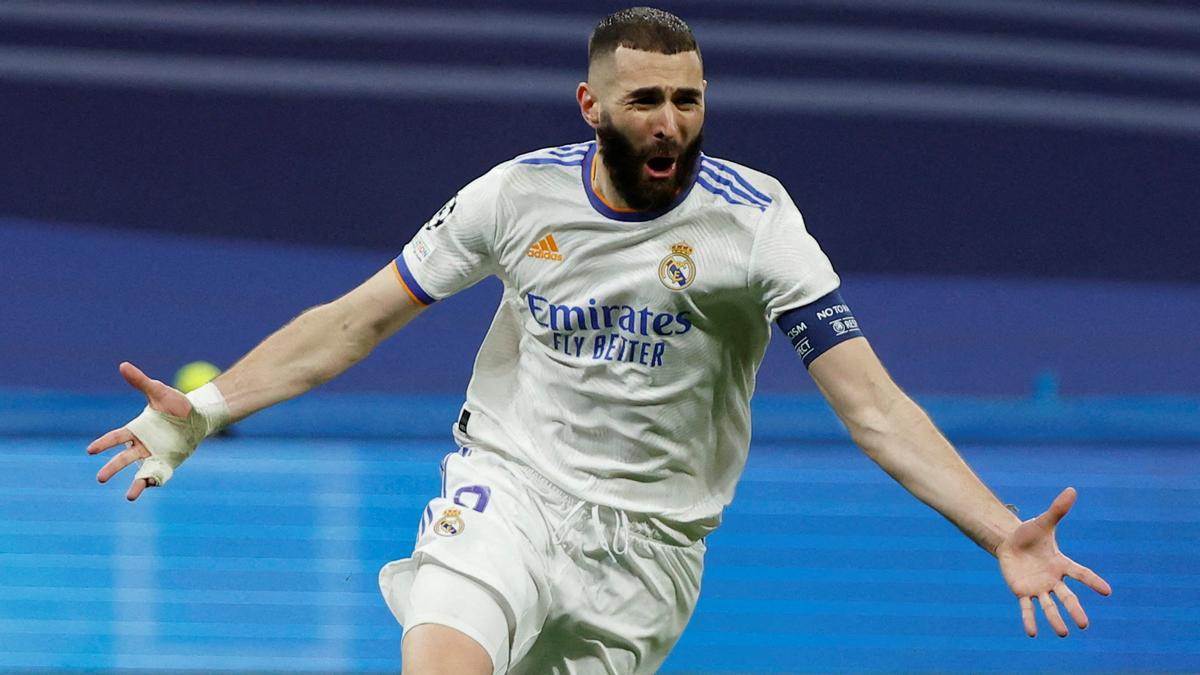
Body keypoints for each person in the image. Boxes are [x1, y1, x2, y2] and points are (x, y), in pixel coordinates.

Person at [86, 7, 1111, 674]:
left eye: (688, 100)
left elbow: (874, 408)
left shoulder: (757, 224)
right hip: (514, 494)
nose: (670, 122)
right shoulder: (514, 195)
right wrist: (209, 411)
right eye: (645, 101)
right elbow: (357, 320)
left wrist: (997, 528)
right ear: (593, 106)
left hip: (653, 558)